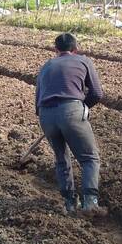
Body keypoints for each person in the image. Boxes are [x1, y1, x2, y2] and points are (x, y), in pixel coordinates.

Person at [35, 33, 104, 213]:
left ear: (56, 50)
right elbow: (97, 93)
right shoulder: (83, 61)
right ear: (75, 49)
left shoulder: (46, 66)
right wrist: (82, 107)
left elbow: (38, 100)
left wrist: (51, 118)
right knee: (90, 158)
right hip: (72, 110)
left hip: (46, 115)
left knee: (61, 159)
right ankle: (90, 203)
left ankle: (70, 204)